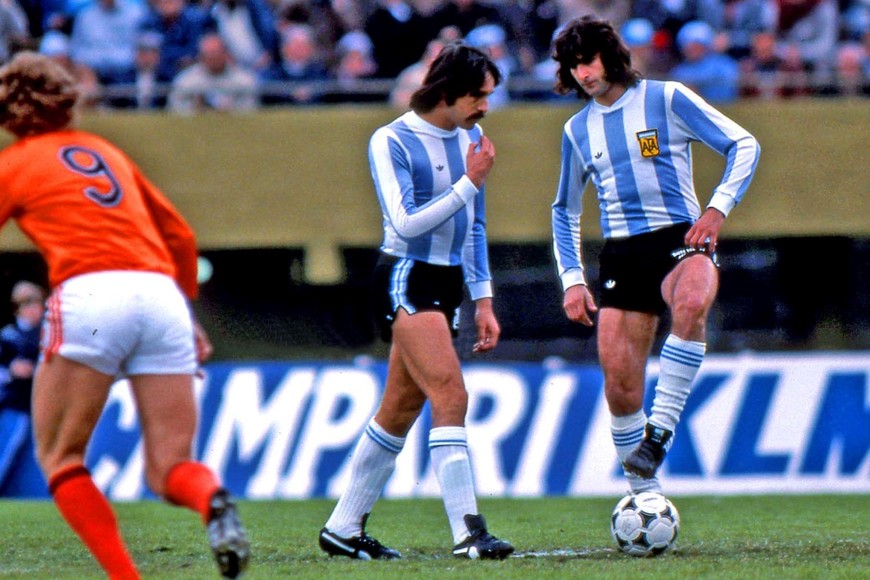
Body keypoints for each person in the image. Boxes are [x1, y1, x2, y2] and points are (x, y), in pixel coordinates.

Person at [0, 52, 249, 578]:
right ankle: (212, 500)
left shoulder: (15, 164)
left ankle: (125, 577)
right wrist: (188, 313)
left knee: (61, 457)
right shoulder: (104, 151)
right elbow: (179, 235)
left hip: (89, 295)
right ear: (66, 101)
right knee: (170, 469)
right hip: (161, 296)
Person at [318, 42, 514, 561]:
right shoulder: (392, 140)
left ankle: (343, 528)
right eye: (478, 96)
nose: (485, 107)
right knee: (451, 393)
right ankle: (470, 532)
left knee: (400, 408)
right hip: (406, 275)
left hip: (447, 283)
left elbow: (475, 227)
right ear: (447, 92)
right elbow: (404, 222)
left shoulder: (472, 137)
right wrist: (469, 183)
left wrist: (483, 299)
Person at [550, 17, 760, 494]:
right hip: (622, 254)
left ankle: (660, 431)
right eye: (573, 65)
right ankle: (644, 499)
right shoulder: (576, 130)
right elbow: (563, 210)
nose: (583, 73)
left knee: (691, 303)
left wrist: (716, 210)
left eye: (589, 60)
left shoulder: (667, 99)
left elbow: (743, 144)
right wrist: (572, 279)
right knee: (620, 390)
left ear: (610, 56)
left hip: (679, 238)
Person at [0, 281, 45, 491]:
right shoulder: (8, 335)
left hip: (38, 406)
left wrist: (34, 370)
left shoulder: (44, 335)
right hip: (14, 403)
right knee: (7, 447)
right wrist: (11, 370)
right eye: (27, 304)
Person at [168, 32, 259, 113]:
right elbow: (175, 111)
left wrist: (231, 110)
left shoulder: (244, 80)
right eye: (209, 56)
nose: (213, 60)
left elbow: (250, 110)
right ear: (201, 57)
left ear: (225, 54)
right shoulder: (185, 81)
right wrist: (194, 110)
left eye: (217, 54)